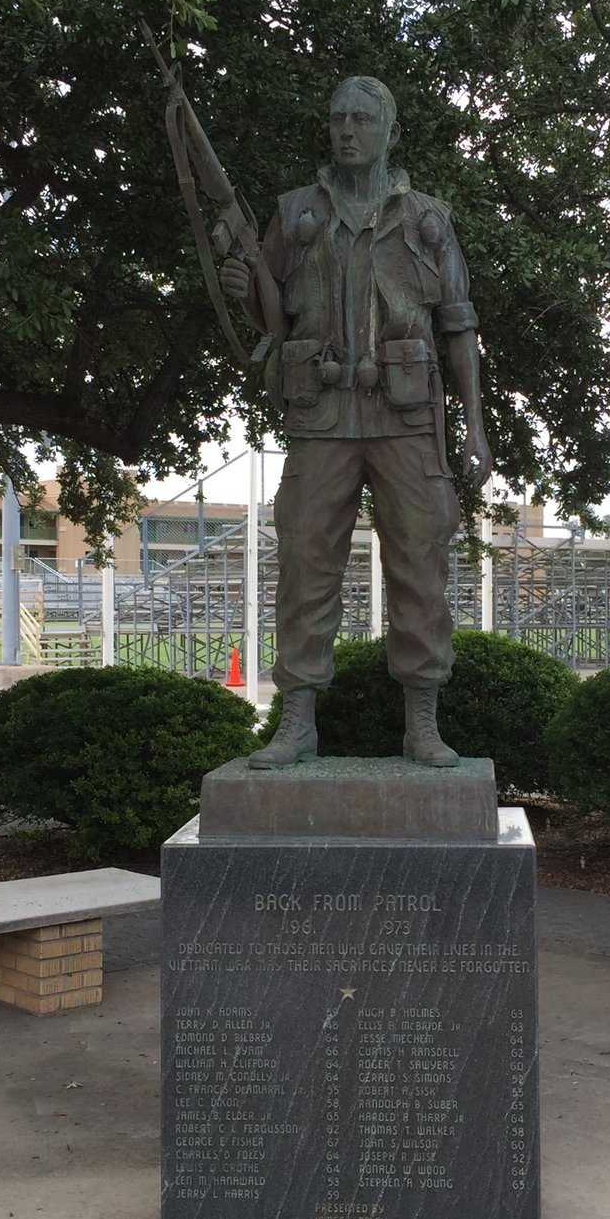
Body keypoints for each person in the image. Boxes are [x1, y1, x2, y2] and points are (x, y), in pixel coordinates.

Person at [222, 76, 491, 769]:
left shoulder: (427, 217)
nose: (346, 130)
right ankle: (298, 720)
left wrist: (474, 428)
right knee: (305, 563)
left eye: (362, 119)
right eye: (337, 118)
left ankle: (423, 722)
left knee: (419, 566)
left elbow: (458, 326)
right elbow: (271, 315)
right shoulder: (295, 212)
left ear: (390, 133)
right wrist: (246, 288)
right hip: (320, 415)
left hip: (405, 417)